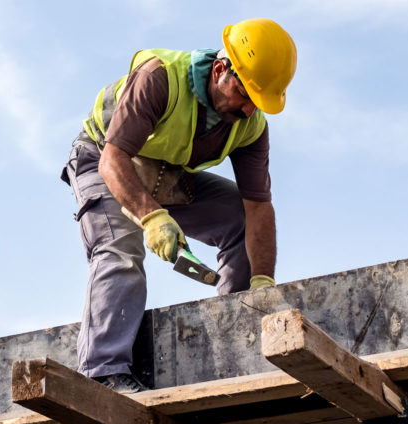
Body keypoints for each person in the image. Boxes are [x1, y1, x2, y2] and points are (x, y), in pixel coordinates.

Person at [59, 18, 297, 394]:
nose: (250, 109)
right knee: (120, 250)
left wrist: (262, 282)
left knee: (236, 217)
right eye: (245, 94)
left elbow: (257, 208)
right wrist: (151, 217)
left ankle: (241, 337)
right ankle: (104, 373)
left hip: (164, 173)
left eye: (258, 101)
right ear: (220, 69)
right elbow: (114, 160)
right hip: (102, 159)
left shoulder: (250, 127)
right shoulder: (159, 78)